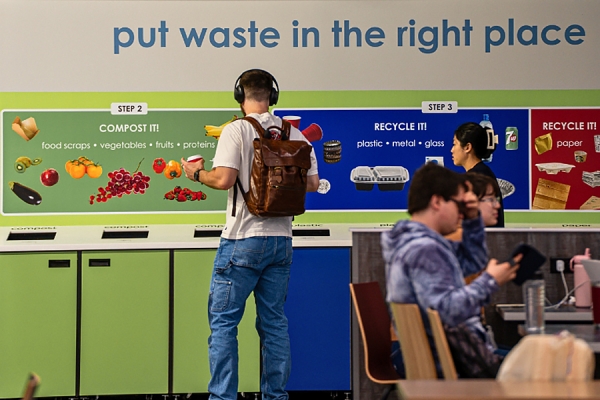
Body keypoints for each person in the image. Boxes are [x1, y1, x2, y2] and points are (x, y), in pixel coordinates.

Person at [181, 68, 319, 400]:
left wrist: (196, 173)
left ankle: (223, 397)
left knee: (224, 325)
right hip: (281, 242)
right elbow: (312, 184)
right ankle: (275, 396)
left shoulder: (237, 131)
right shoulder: (296, 135)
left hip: (242, 240)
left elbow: (224, 180)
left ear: (239, 96)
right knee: (274, 324)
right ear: (272, 96)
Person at [382, 162, 519, 376]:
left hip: (443, 354)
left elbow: (473, 263)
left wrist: (474, 220)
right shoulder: (424, 250)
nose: (461, 212)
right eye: (458, 205)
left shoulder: (420, 243)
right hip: (448, 360)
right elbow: (447, 311)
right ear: (437, 202)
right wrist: (491, 280)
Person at [451, 122, 505, 227]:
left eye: (454, 144)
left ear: (467, 147)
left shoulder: (477, 178)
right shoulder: (483, 173)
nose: (452, 150)